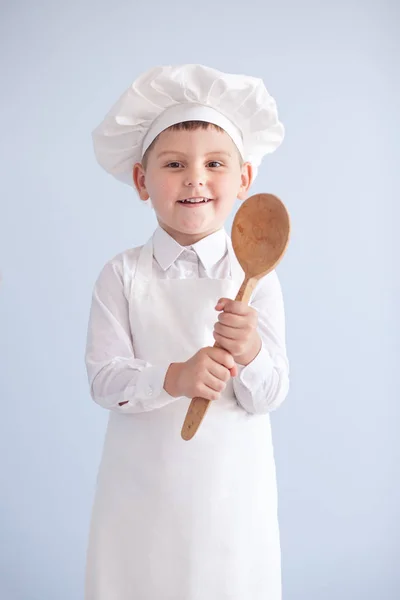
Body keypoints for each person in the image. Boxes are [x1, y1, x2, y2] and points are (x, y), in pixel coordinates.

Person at [85, 63, 289, 600]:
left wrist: (251, 354)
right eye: (174, 164)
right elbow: (104, 380)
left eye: (215, 163)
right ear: (141, 180)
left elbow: (270, 395)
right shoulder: (122, 275)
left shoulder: (256, 276)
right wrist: (173, 376)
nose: (196, 178)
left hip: (231, 496)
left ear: (244, 180)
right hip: (140, 490)